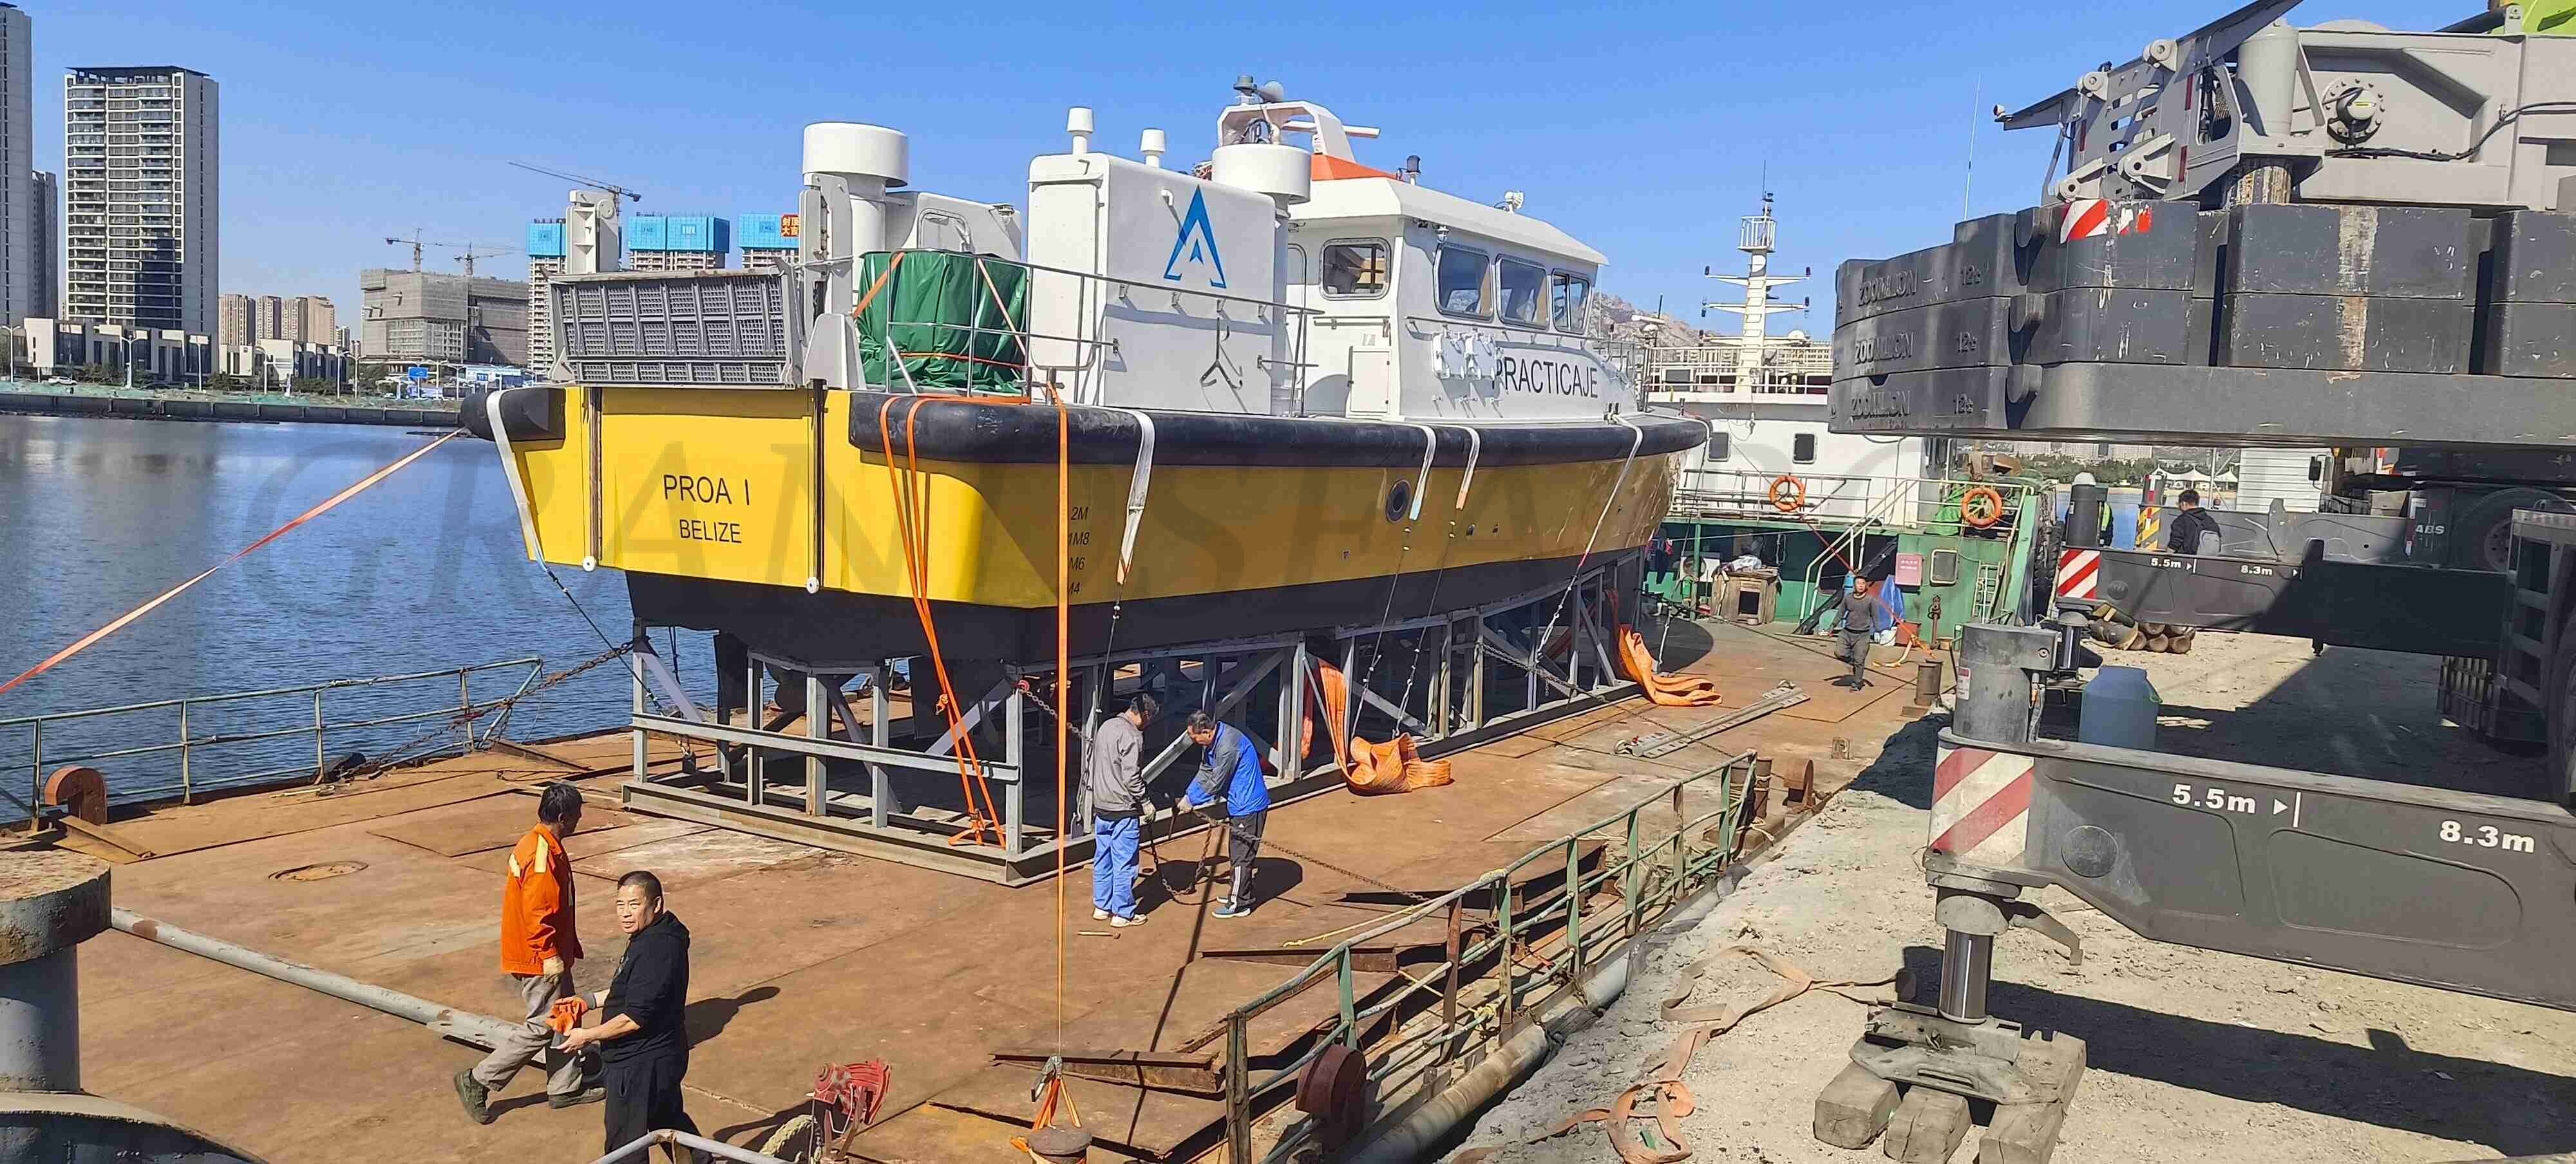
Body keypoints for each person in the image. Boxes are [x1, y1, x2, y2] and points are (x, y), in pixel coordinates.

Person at [455, 782, 601, 1125]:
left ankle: (565, 1086)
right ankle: (479, 1079)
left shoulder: (538, 843)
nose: (580, 821)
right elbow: (539, 911)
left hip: (551, 952)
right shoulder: (542, 854)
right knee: (542, 1025)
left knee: (566, 1014)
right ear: (563, 817)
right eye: (577, 816)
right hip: (539, 956)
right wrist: (549, 952)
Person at [561, 871, 697, 1162]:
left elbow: (633, 1017)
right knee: (667, 1121)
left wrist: (586, 1036)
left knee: (625, 1145)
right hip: (660, 1055)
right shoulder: (652, 935)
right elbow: (632, 989)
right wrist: (588, 1001)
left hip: (641, 1062)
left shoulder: (657, 949)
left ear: (656, 904)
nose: (625, 913)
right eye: (620, 905)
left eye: (634, 905)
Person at [1184, 710, 1271, 919]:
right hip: (1238, 804)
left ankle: (1240, 903)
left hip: (1249, 806)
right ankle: (1238, 892)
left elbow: (1216, 782)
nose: (1194, 741)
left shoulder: (1226, 747)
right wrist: (1188, 794)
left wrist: (1193, 801)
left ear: (1206, 732)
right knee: (1236, 851)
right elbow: (1205, 770)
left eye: (1195, 738)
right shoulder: (1213, 742)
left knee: (1242, 856)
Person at [1085, 692, 1159, 928]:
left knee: (1103, 858)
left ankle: (1101, 906)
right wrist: (1145, 801)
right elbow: (1131, 777)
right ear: (1145, 715)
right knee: (1125, 862)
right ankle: (1123, 913)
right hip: (1123, 808)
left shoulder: (1106, 727)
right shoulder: (1132, 736)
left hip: (1102, 805)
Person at [1834, 576, 1905, 690]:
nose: (1861, 585)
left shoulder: (1870, 600)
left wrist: (1879, 630)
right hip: (1847, 632)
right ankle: (1853, 662)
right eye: (1858, 583)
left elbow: (1875, 616)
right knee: (1839, 653)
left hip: (1863, 635)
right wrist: (1832, 626)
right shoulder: (1848, 598)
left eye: (1863, 583)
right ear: (1854, 586)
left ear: (1866, 586)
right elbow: (1840, 613)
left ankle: (1857, 683)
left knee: (1860, 660)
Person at [2166, 488, 2222, 554]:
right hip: (2208, 561)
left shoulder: (2182, 520)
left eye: (2179, 505)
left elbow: (2175, 543)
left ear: (2184, 504)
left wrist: (2165, 557)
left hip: (2187, 560)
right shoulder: (2210, 520)